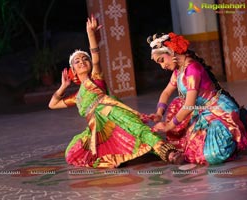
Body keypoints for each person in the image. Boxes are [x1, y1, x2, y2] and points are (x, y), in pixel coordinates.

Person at [48, 16, 183, 168]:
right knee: (72, 152)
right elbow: (53, 104)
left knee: (139, 130)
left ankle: (170, 154)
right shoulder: (77, 97)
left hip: (114, 113)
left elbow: (96, 58)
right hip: (100, 128)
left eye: (84, 59)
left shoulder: (95, 78)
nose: (82, 62)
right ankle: (136, 155)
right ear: (72, 70)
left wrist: (91, 34)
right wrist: (64, 86)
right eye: (77, 61)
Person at [147, 32, 247, 165]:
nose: (162, 66)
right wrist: (159, 114)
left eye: (162, 61)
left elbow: (189, 104)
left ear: (171, 51)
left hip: (217, 111)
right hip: (200, 111)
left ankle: (234, 136)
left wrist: (169, 125)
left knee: (212, 155)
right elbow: (166, 92)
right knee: (177, 103)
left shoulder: (192, 69)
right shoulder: (179, 70)